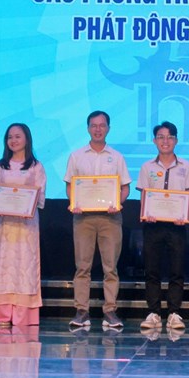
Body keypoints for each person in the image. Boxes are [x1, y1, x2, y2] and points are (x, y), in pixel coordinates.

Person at [64, 111, 131, 331]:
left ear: (108, 128)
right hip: (83, 218)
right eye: (94, 125)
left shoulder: (117, 157)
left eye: (102, 125)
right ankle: (81, 311)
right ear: (88, 128)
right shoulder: (76, 156)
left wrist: (118, 203)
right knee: (82, 267)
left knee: (110, 267)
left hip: (110, 218)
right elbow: (70, 186)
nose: (98, 129)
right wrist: (74, 202)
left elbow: (125, 188)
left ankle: (110, 311)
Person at [137, 121, 189, 332]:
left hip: (177, 226)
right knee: (152, 271)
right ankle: (153, 313)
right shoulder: (147, 167)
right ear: (154, 141)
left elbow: (188, 196)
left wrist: (184, 215)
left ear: (176, 140)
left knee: (176, 271)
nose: (165, 141)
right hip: (153, 226)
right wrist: (147, 213)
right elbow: (144, 196)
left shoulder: (186, 166)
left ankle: (174, 313)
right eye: (161, 137)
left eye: (170, 137)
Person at [0, 123, 46, 326]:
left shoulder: (36, 166)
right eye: (10, 137)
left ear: (27, 139)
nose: (13, 140)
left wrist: (26, 203)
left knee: (24, 266)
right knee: (3, 266)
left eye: (18, 136)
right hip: (4, 225)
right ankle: (2, 314)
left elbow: (40, 194)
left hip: (26, 226)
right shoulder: (1, 166)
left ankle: (23, 315)